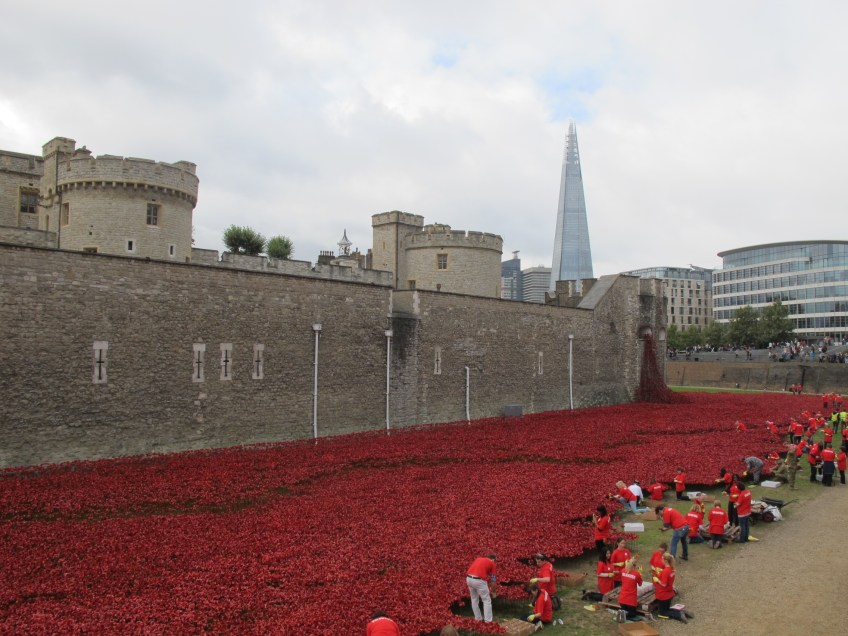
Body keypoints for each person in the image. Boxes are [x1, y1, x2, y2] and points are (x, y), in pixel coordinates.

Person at [653, 553, 691, 623]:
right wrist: (660, 573)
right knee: (667, 609)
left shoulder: (665, 571)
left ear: (665, 561)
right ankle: (681, 612)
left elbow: (664, 584)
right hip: (669, 593)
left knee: (662, 613)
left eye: (662, 559)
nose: (661, 560)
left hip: (663, 595)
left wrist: (657, 580)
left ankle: (679, 615)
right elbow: (668, 577)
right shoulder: (672, 569)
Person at [466, 554, 497, 622]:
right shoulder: (492, 563)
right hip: (479, 580)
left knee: (474, 599)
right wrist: (494, 592)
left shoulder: (478, 559)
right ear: (493, 559)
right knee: (486, 600)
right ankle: (488, 621)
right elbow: (493, 581)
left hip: (468, 578)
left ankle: (478, 619)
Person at [618, 556, 643, 621]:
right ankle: (625, 614)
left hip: (622, 599)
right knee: (633, 614)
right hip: (631, 601)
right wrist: (640, 574)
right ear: (635, 566)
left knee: (625, 609)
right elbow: (640, 584)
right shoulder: (637, 574)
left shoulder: (623, 571)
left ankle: (622, 612)